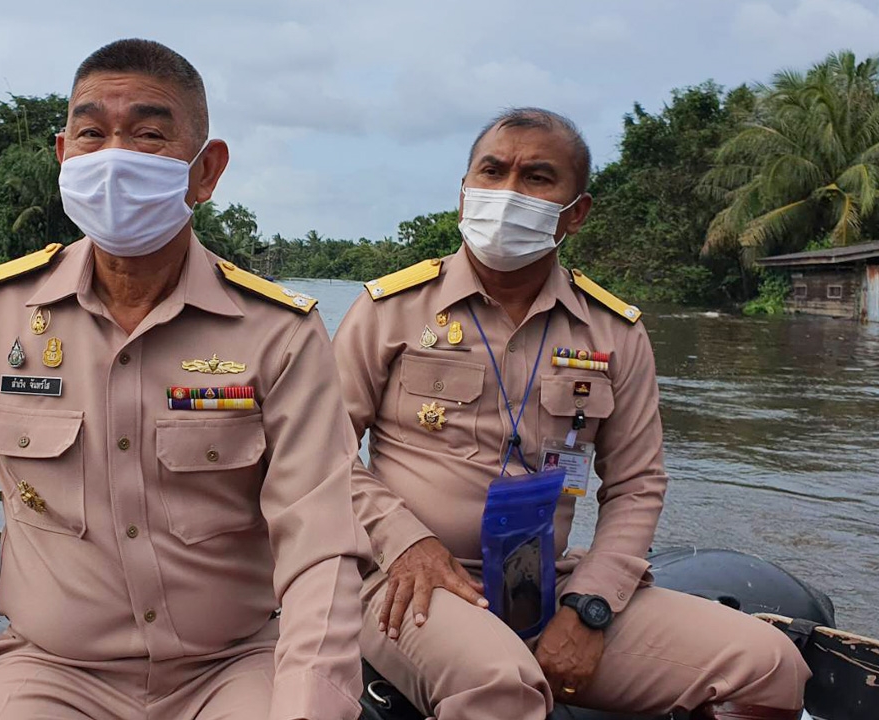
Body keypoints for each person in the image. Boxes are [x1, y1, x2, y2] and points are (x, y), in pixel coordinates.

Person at [0, 39, 367, 720]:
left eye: (150, 135)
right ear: (63, 154)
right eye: (92, 133)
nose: (113, 158)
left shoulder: (277, 332)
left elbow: (321, 545)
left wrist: (307, 708)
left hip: (232, 667)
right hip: (51, 671)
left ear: (205, 170)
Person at [332, 108, 809, 720]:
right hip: (405, 578)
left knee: (770, 668)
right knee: (498, 687)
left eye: (536, 178)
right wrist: (407, 541)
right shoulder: (388, 310)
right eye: (493, 171)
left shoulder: (614, 331)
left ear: (575, 212)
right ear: (463, 192)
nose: (508, 192)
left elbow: (636, 485)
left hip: (545, 584)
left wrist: (591, 605)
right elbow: (322, 454)